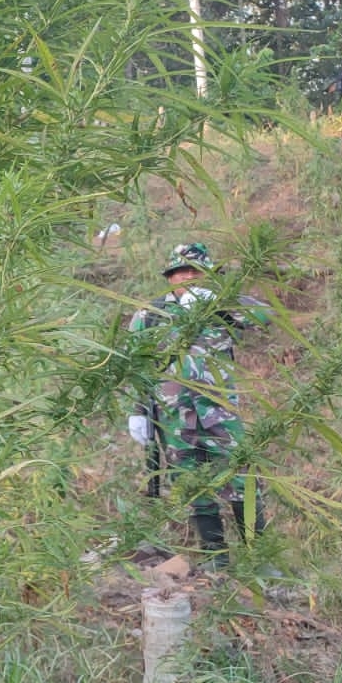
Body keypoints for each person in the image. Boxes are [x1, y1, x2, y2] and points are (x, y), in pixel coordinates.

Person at [126, 241, 272, 569]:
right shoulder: (150, 315)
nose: (189, 277)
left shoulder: (219, 305)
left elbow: (264, 315)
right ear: (170, 276)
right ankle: (215, 559)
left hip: (220, 413)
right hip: (174, 417)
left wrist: (221, 301)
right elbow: (135, 364)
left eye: (196, 271)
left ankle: (258, 559)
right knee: (194, 485)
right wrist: (138, 411)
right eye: (182, 271)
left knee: (241, 480)